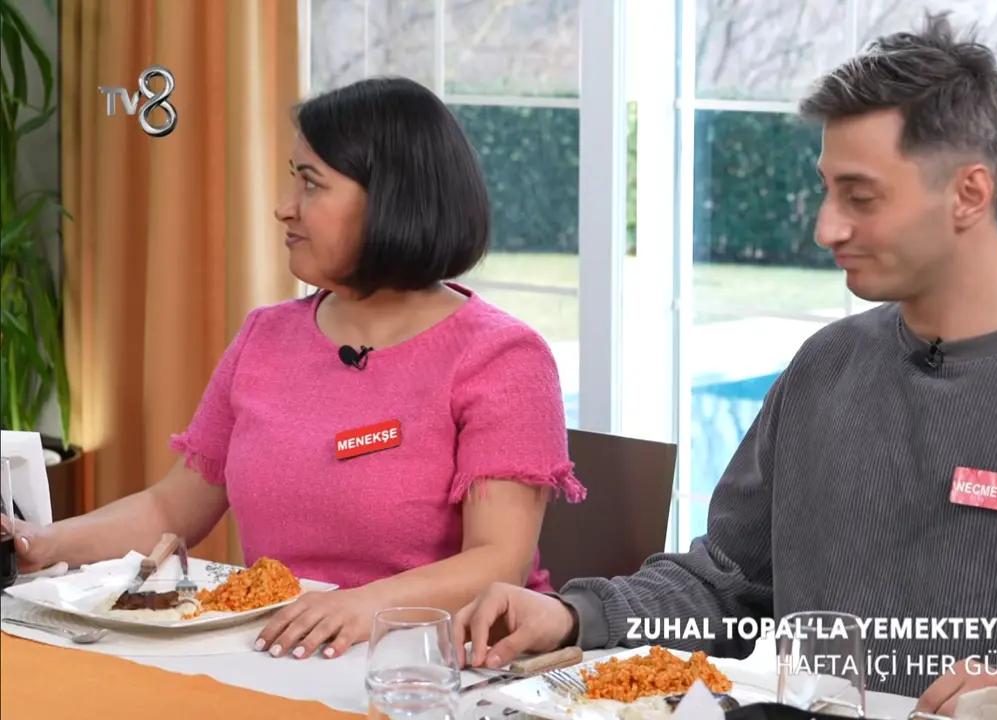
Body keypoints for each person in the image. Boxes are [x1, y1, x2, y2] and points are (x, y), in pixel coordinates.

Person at [450, 15, 997, 720]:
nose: (827, 227)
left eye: (861, 197)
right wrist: (577, 615)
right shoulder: (824, 368)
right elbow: (726, 581)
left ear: (969, 193)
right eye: (827, 190)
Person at [7, 77, 584, 660]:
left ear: (391, 199)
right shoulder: (265, 336)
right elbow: (169, 509)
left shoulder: (503, 357)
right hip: (286, 654)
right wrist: (44, 543)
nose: (284, 206)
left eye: (311, 182)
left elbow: (498, 561)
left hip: (445, 665)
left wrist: (362, 606)